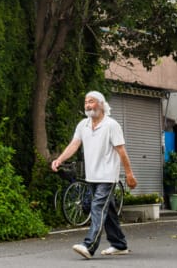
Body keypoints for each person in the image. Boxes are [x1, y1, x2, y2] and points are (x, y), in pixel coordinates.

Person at [50, 91, 138, 259]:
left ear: (101, 104)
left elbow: (122, 151)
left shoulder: (111, 125)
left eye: (91, 102)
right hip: (92, 176)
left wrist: (129, 174)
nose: (88, 105)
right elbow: (74, 144)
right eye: (86, 102)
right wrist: (59, 159)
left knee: (97, 207)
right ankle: (119, 244)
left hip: (107, 176)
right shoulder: (83, 125)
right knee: (108, 210)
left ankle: (89, 246)